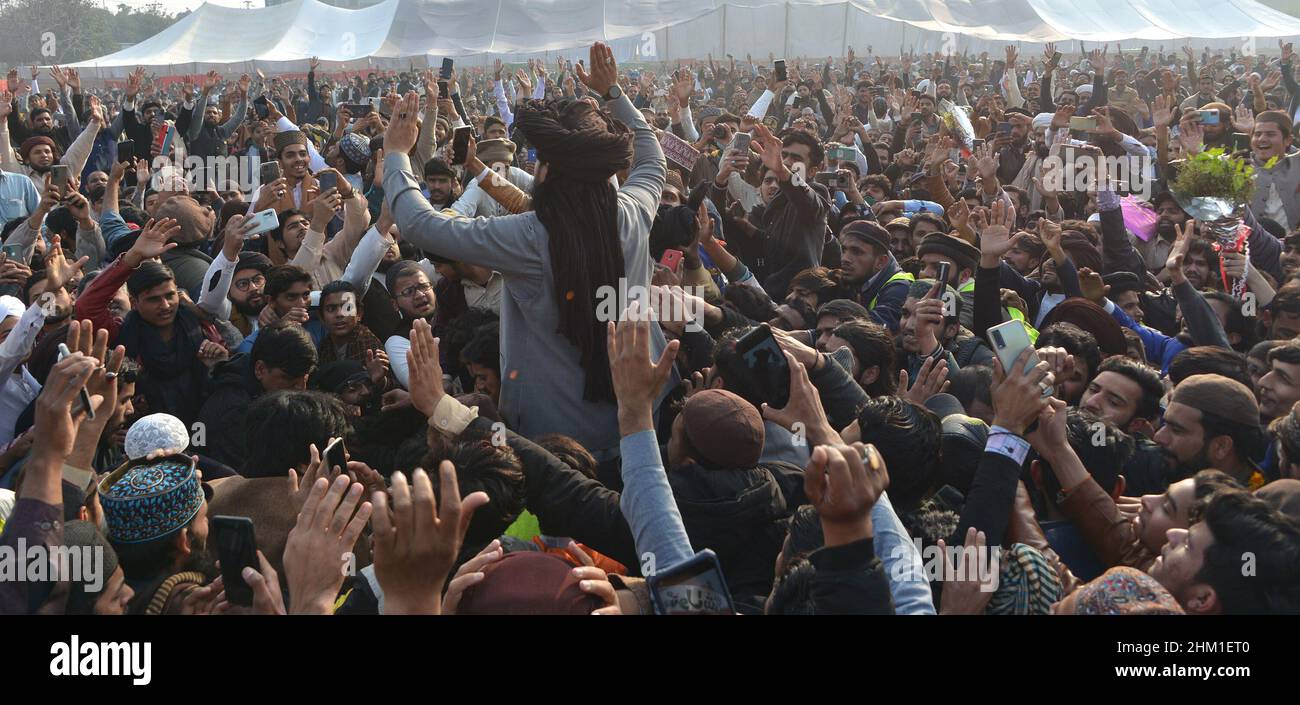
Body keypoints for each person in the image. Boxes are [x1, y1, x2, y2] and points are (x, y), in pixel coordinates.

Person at [381, 43, 669, 458]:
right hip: (642, 424)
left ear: (547, 173)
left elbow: (420, 223)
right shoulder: (634, 211)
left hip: (556, 445)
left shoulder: (530, 236)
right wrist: (615, 95)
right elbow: (652, 157)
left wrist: (395, 154)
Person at [194, 322, 318, 470]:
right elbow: (240, 478)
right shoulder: (234, 411)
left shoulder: (269, 391)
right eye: (288, 379)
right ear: (260, 369)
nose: (300, 388)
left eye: (304, 377)